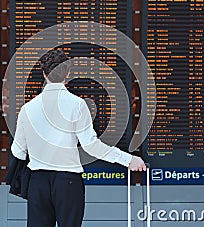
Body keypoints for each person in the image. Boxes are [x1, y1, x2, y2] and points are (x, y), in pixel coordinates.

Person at [11, 49, 146, 227]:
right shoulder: (77, 105)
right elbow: (90, 145)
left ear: (44, 74)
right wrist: (127, 159)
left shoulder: (27, 109)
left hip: (38, 182)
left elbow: (18, 151)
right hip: (67, 182)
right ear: (67, 73)